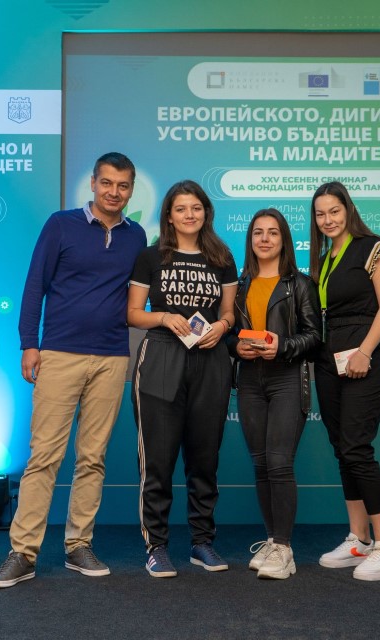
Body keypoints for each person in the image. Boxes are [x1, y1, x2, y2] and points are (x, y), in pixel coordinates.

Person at [0, 152, 147, 589]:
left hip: (112, 357)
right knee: (44, 456)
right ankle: (23, 553)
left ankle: (79, 545)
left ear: (131, 190)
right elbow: (34, 285)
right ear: (92, 183)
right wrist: (29, 343)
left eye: (123, 185)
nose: (114, 192)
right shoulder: (61, 224)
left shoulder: (136, 236)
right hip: (58, 353)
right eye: (107, 183)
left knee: (92, 458)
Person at [127, 179, 237, 578]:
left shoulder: (222, 257)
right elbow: (132, 313)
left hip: (210, 359)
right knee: (157, 461)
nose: (190, 215)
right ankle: (156, 547)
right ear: (169, 216)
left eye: (196, 208)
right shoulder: (150, 257)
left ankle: (202, 542)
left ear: (206, 212)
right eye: (181, 208)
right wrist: (163, 317)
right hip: (161, 355)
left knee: (204, 460)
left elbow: (230, 313)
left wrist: (222, 327)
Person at [309, 181, 380, 581]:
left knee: (356, 447)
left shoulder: (373, 247)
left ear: (348, 209)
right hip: (329, 358)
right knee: (341, 448)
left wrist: (365, 351)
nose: (328, 219)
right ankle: (359, 539)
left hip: (366, 353)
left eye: (334, 211)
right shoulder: (324, 258)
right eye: (320, 214)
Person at [230, 208, 320, 580]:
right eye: (258, 233)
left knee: (280, 463)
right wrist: (237, 348)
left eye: (272, 232)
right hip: (250, 381)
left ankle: (284, 549)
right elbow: (229, 334)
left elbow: (314, 338)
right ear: (250, 240)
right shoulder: (240, 285)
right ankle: (271, 540)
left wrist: (281, 346)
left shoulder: (300, 284)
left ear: (284, 240)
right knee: (261, 464)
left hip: (287, 379)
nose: (264, 239)